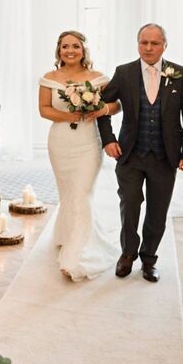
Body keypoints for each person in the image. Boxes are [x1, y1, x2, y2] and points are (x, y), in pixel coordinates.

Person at [98, 23, 183, 283]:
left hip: (165, 157)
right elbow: (100, 107)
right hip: (130, 154)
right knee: (130, 204)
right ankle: (127, 254)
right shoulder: (124, 72)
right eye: (144, 42)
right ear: (138, 44)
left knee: (157, 211)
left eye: (155, 43)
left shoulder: (179, 73)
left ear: (165, 44)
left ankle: (149, 259)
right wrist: (108, 140)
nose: (149, 48)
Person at [38, 31, 120, 280]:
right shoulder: (48, 78)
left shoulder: (98, 78)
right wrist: (70, 116)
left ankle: (78, 253)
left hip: (87, 143)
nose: (70, 50)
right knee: (68, 194)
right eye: (65, 46)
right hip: (60, 142)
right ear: (59, 50)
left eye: (75, 46)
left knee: (82, 194)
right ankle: (66, 236)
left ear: (84, 50)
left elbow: (117, 105)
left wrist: (101, 108)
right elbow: (43, 109)